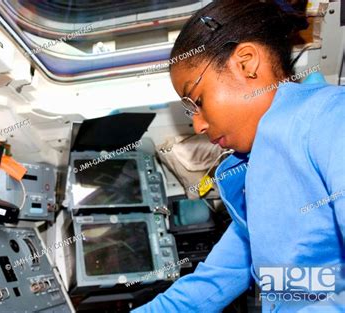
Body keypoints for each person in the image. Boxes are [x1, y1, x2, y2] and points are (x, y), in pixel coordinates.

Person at [133, 0, 345, 312]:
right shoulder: (255, 175)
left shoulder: (330, 119)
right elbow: (208, 286)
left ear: (247, 64)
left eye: (199, 101)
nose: (198, 124)